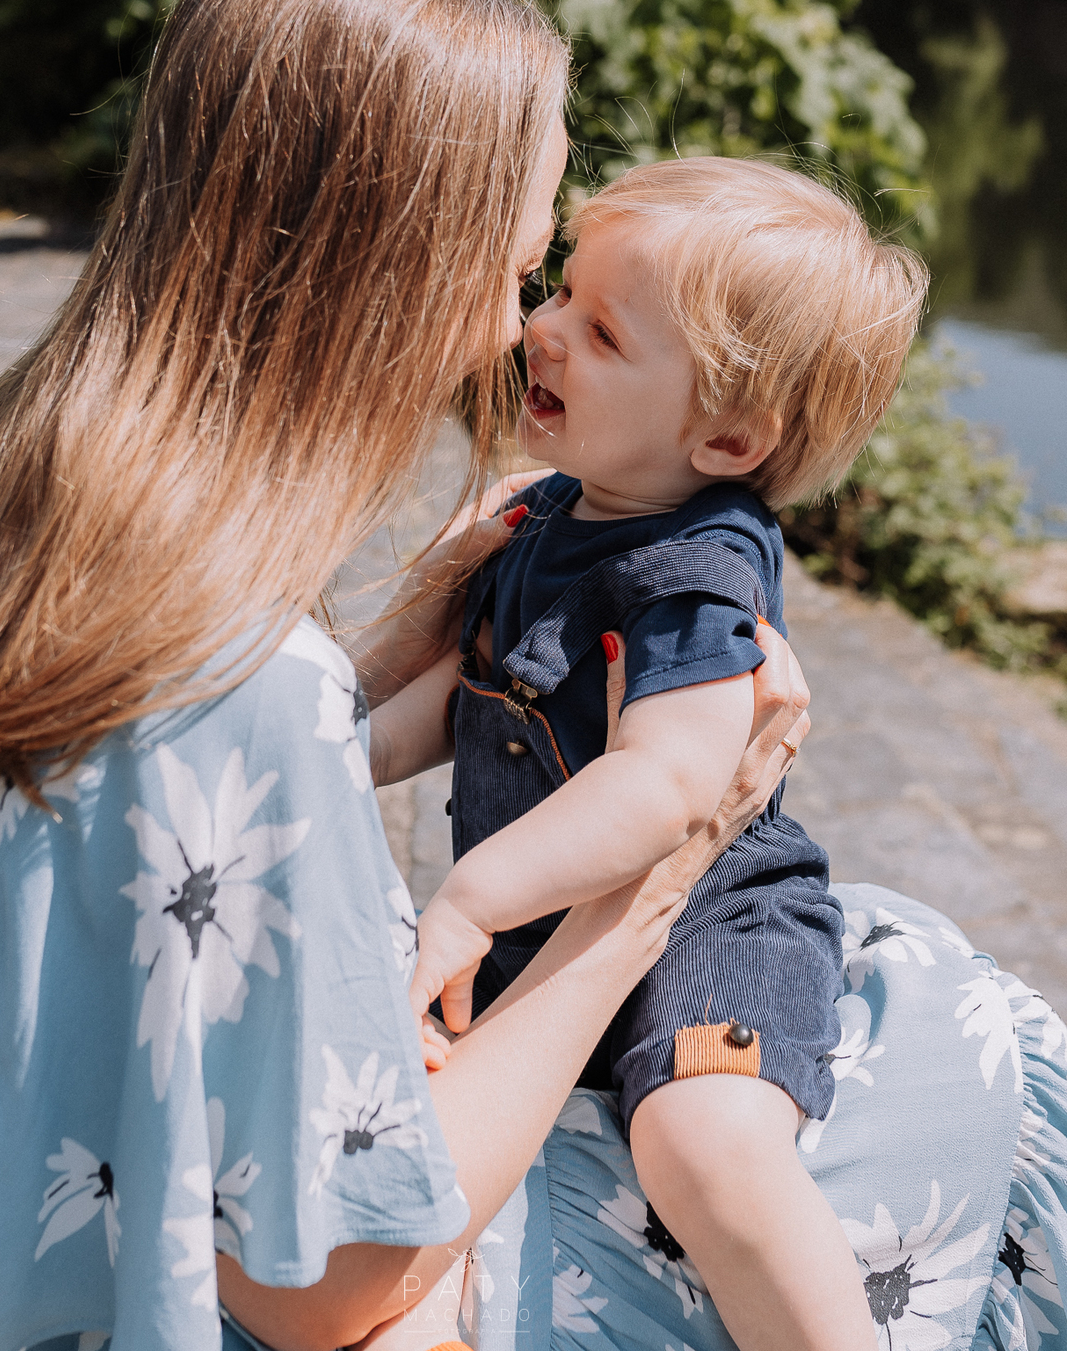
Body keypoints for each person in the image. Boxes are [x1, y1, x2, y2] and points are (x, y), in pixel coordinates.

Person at [0, 0, 812, 1351]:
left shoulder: (0, 514)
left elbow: (160, 848)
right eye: (515, 276)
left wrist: (385, 647)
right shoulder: (254, 685)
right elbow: (332, 1290)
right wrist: (654, 890)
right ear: (390, 273)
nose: (517, 331)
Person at [376, 159, 926, 1350]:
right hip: (553, 925)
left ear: (726, 436)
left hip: (713, 931)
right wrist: (323, 755)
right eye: (561, 293)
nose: (543, 328)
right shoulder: (561, 512)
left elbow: (669, 787)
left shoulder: (694, 574)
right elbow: (461, 690)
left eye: (603, 332)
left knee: (703, 1145)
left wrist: (471, 896)